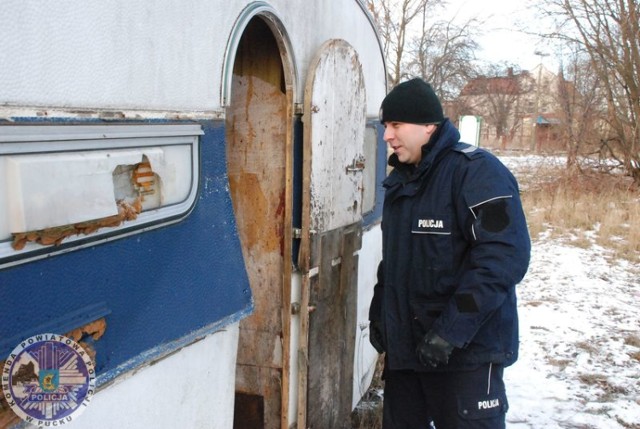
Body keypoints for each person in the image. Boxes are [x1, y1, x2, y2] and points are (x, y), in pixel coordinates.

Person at [368, 78, 531, 429]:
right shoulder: (402, 182)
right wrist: (379, 312)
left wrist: (450, 332)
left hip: (465, 357)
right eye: (385, 127)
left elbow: (502, 260)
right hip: (408, 357)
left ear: (428, 125)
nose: (387, 136)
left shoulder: (477, 173)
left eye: (396, 125)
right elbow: (394, 262)